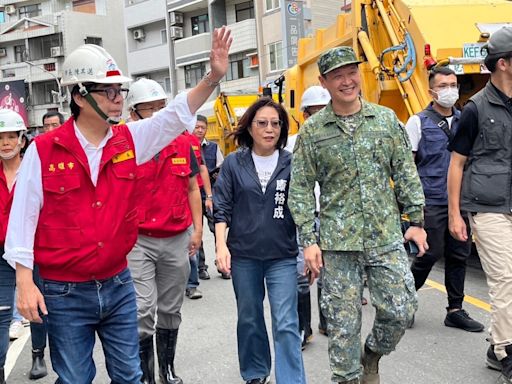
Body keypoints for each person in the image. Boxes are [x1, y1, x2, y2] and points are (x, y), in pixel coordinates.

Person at [3, 27, 231, 384]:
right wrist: (24, 280)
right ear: (80, 97)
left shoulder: (128, 141)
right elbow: (24, 217)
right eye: (107, 91)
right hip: (64, 291)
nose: (118, 98)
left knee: (129, 375)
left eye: (120, 91)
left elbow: (172, 117)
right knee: (75, 377)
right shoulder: (45, 151)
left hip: (118, 283)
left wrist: (213, 77)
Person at [289, 46, 427, 384]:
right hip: (338, 244)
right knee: (342, 326)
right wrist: (308, 241)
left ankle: (372, 356)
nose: (346, 81)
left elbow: (405, 171)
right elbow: (301, 189)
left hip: (385, 236)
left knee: (401, 309)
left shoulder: (384, 120)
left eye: (351, 72)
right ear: (324, 82)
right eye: (337, 75)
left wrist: (417, 222)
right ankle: (349, 378)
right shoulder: (313, 132)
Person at [214, 98, 306, 384]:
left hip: (283, 255)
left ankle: (291, 379)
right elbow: (222, 207)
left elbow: (305, 208)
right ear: (250, 128)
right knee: (250, 317)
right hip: (244, 256)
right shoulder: (233, 163)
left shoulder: (293, 163)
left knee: (287, 322)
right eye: (262, 123)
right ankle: (255, 372)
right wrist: (220, 246)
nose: (270, 129)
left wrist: (310, 249)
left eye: (276, 124)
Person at [126, 78, 203, 384]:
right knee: (142, 309)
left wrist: (198, 230)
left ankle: (166, 369)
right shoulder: (128, 144)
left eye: (162, 107)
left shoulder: (184, 142)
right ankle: (144, 374)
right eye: (150, 109)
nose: (159, 115)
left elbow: (192, 188)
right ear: (134, 114)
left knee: (170, 308)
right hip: (137, 241)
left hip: (175, 237)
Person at [447, 26, 512, 384]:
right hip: (486, 206)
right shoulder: (475, 109)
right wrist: (455, 214)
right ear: (503, 63)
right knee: (505, 279)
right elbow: (456, 163)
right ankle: (508, 352)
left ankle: (495, 347)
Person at [405, 67, 484, 332]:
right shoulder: (418, 122)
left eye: (453, 85)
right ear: (431, 91)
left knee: (459, 253)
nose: (450, 90)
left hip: (461, 198)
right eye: (443, 85)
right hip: (430, 199)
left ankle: (455, 309)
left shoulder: (466, 119)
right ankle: (404, 299)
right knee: (431, 251)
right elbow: (407, 166)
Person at [285, 85, 331, 349]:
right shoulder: (292, 144)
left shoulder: (337, 140)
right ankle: (304, 328)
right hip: (300, 218)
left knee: (328, 273)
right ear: (304, 115)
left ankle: (328, 321)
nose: (319, 117)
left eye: (324, 111)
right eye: (314, 112)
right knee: (302, 274)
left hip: (329, 216)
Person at [27, 110, 65, 381]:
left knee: (60, 305)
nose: (50, 129)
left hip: (63, 244)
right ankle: (38, 353)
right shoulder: (34, 157)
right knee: (36, 302)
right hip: (34, 246)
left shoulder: (72, 154)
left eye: (55, 125)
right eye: (46, 126)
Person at [0, 109, 27, 384]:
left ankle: (39, 353)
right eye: (0, 137)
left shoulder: (35, 169)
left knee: (41, 312)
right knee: (1, 314)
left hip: (35, 251)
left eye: (11, 136)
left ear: (21, 139)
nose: (5, 143)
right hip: (0, 254)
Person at [192, 114, 226, 280]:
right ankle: (200, 267)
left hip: (212, 195)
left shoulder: (213, 147)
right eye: (197, 127)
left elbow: (221, 170)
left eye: (202, 128)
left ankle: (223, 264)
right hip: (194, 195)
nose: (199, 130)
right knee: (197, 230)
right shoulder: (187, 146)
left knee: (217, 228)